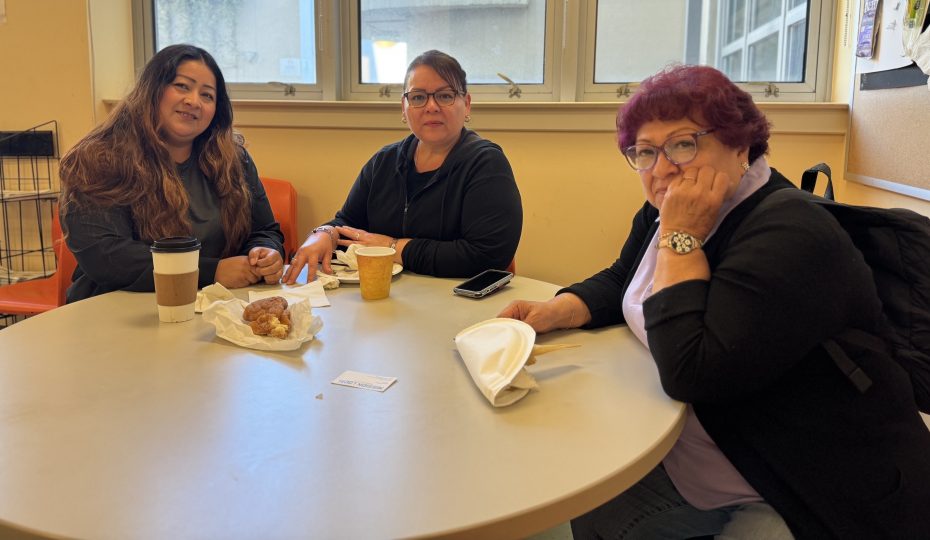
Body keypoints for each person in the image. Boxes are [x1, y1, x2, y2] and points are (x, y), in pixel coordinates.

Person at [499, 64, 930, 538]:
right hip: (705, 448)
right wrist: (563, 307)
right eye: (645, 152)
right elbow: (627, 276)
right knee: (572, 496)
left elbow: (694, 372)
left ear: (740, 145)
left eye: (683, 144)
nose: (662, 169)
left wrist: (682, 238)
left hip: (801, 483)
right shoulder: (673, 204)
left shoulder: (790, 233)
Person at [59, 44, 285, 302]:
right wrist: (211, 271)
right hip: (115, 307)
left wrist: (265, 252)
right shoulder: (96, 160)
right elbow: (105, 255)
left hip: (208, 307)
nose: (193, 102)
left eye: (207, 96)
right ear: (152, 90)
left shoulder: (234, 159)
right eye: (182, 86)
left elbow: (265, 229)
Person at [283, 50, 521, 284]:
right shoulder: (383, 162)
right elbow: (348, 224)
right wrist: (325, 234)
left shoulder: (486, 164)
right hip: (387, 299)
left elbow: (487, 256)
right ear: (404, 107)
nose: (431, 106)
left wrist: (393, 247)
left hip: (459, 304)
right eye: (418, 97)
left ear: (466, 104)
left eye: (445, 95)